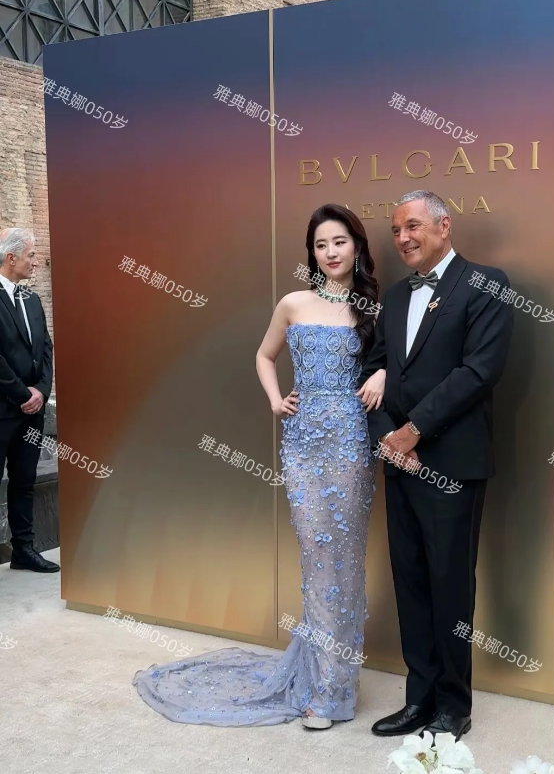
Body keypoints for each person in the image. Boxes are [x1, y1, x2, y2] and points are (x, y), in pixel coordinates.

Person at [134, 204, 385, 729]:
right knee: (317, 559)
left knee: (344, 562)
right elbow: (264, 355)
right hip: (303, 443)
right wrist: (275, 400)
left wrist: (381, 372)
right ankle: (322, 686)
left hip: (351, 443)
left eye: (339, 242)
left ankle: (336, 687)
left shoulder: (373, 309)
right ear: (311, 253)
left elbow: (399, 362)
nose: (331, 252)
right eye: (320, 245)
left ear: (357, 247)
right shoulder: (293, 302)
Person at [361, 190, 513, 740]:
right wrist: (388, 438)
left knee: (451, 588)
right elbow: (374, 371)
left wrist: (413, 431)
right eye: (396, 230)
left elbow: (478, 372)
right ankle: (419, 699)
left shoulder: (487, 284)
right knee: (411, 584)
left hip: (451, 465)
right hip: (399, 464)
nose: (403, 238)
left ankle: (454, 706)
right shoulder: (396, 297)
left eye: (413, 226)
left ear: (444, 226)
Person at [0, 228, 58, 573]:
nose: (35, 262)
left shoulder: (32, 300)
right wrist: (24, 394)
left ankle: (23, 549)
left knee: (24, 482)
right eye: (31, 255)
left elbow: (46, 348)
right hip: (3, 410)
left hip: (31, 413)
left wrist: (42, 391)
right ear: (11, 258)